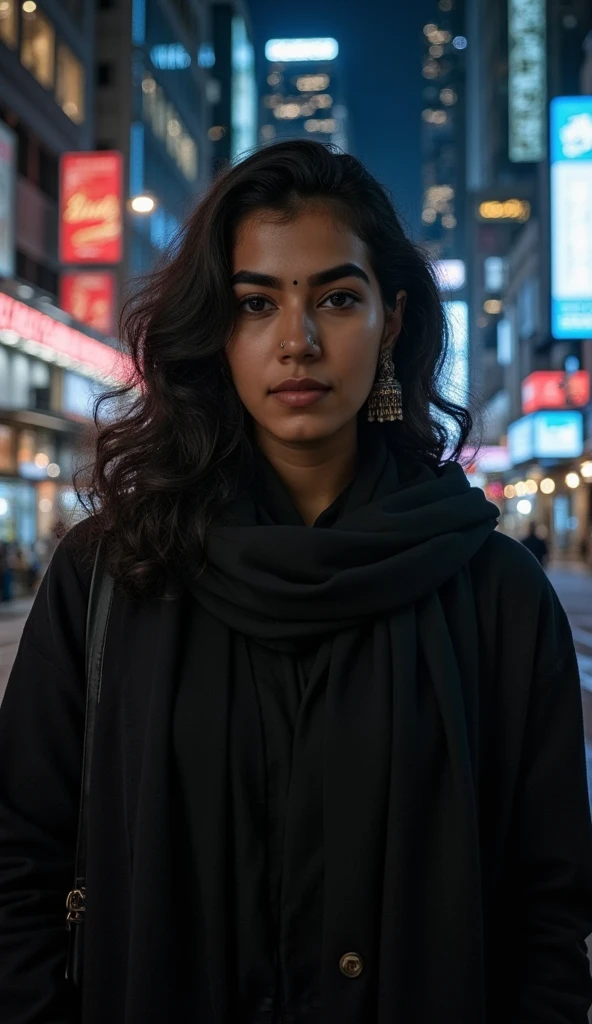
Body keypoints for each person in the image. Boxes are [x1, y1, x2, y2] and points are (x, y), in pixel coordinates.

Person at [1, 140, 591, 1024]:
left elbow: (550, 912)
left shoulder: (495, 593)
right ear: (216, 329)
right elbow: (20, 863)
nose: (298, 341)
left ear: (391, 322)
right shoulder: (114, 573)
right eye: (255, 303)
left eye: (337, 298)